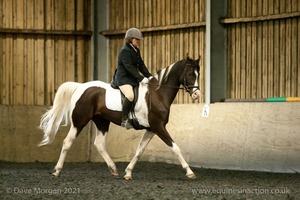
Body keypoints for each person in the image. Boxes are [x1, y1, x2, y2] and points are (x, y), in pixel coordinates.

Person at [113, 28, 153, 129]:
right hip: (123, 79)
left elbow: (141, 65)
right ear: (131, 39)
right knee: (130, 95)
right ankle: (124, 120)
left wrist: (149, 76)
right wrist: (141, 78)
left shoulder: (136, 50)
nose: (139, 42)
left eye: (139, 40)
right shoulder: (124, 51)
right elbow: (129, 67)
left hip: (132, 79)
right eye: (137, 39)